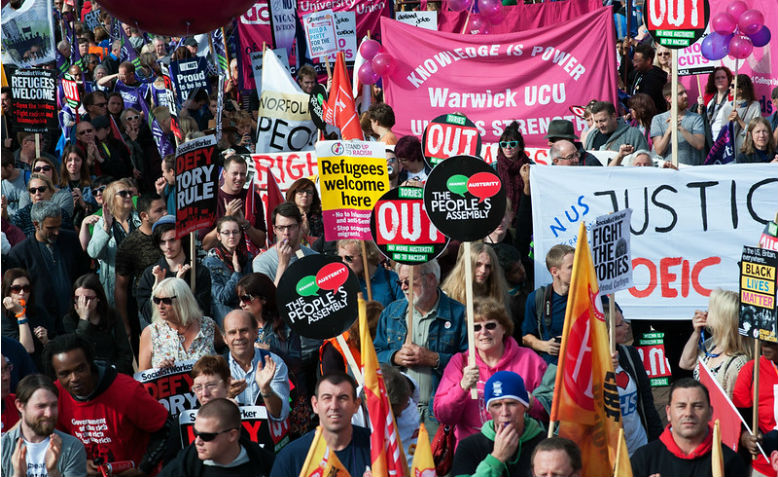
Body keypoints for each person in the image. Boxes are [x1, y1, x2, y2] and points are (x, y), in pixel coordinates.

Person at [47, 334, 171, 475]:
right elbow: (53, 442)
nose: (74, 378)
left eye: (80, 369)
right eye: (65, 374)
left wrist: (142, 469)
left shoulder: (127, 391)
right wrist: (77, 461)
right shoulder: (53, 396)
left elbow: (165, 429)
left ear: (91, 364)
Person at [435, 298, 547, 443]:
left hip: (520, 448)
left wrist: (529, 402)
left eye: (490, 325)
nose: (483, 332)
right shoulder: (460, 362)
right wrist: (462, 387)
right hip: (474, 451)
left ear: (504, 327)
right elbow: (443, 415)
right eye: (476, 327)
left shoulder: (529, 360)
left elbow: (552, 409)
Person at [374, 259, 467, 433]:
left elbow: (471, 362)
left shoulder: (458, 314)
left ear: (431, 279)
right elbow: (374, 355)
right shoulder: (391, 313)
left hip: (438, 413)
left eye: (409, 282)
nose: (403, 287)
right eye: (399, 282)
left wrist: (433, 359)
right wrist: (394, 357)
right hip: (400, 410)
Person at [630, 378, 747, 477]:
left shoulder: (729, 461)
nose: (688, 413)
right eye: (681, 406)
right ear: (669, 412)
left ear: (710, 412)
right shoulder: (644, 459)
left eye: (697, 406)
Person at [270, 373, 371, 477]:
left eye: (342, 398)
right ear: (315, 404)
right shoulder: (290, 457)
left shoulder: (377, 446)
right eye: (327, 398)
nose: (334, 406)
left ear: (356, 405)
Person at [450, 370, 546, 477]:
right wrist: (497, 458)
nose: (505, 413)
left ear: (525, 406)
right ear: (488, 410)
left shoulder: (545, 443)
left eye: (511, 403)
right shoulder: (469, 446)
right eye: (496, 405)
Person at [9, 201, 91, 324]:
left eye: (59, 226)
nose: (57, 232)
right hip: (43, 323)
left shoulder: (71, 240)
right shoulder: (20, 254)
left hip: (75, 317)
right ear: (36, 224)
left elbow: (84, 274)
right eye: (51, 228)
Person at [158, 398, 274, 476]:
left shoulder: (264, 464)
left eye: (206, 436)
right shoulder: (188, 460)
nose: (197, 441)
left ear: (232, 435)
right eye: (195, 433)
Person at [1, 374, 87, 477]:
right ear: (20, 406)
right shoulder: (3, 447)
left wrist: (53, 471)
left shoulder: (72, 447)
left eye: (54, 405)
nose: (49, 413)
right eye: (41, 406)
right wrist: (18, 474)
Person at [606, 301, 663, 454]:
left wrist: (657, 441)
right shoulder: (586, 363)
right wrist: (601, 371)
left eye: (625, 321)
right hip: (609, 455)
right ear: (605, 331)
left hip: (639, 447)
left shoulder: (629, 354)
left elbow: (647, 400)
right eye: (619, 324)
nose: (626, 326)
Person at [113, 193, 167, 351]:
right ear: (144, 215)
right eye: (159, 210)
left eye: (165, 209)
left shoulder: (173, 235)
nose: (165, 213)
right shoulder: (129, 244)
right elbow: (121, 286)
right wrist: (125, 324)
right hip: (148, 308)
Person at [135, 215, 211, 324]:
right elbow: (149, 316)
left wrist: (180, 287)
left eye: (172, 240)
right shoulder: (150, 274)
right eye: (162, 242)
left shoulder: (199, 272)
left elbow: (201, 313)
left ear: (182, 239)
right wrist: (157, 288)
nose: (168, 246)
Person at [678, 289, 750, 398]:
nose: (706, 313)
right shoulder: (713, 344)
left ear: (722, 319)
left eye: (710, 310)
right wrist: (696, 333)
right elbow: (686, 363)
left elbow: (731, 405)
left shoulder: (737, 363)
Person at [221, 310, 290, 421]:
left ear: (255, 333)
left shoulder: (273, 362)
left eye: (244, 331)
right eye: (232, 332)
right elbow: (209, 416)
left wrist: (266, 390)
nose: (238, 337)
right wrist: (226, 396)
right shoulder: (216, 368)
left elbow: (280, 414)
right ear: (225, 338)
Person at [138, 277, 219, 370]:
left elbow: (225, 354)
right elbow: (142, 378)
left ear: (183, 301)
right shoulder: (151, 333)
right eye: (156, 300)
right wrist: (158, 372)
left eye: (166, 301)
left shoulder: (207, 325)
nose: (160, 306)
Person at [61, 274, 132, 375]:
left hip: (115, 372)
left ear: (98, 298)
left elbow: (125, 353)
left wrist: (112, 370)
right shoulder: (69, 320)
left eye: (88, 298)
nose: (83, 303)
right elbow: (77, 350)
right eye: (78, 298)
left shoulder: (112, 316)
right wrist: (83, 320)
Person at [86, 180, 140, 306]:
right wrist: (106, 228)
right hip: (115, 288)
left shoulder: (141, 219)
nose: (128, 196)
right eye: (123, 193)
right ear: (111, 199)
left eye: (129, 193)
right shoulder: (102, 224)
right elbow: (93, 253)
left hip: (139, 286)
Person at [201, 155, 266, 253]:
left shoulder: (252, 197)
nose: (239, 178)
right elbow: (206, 245)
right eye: (235, 173)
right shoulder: (210, 200)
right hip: (219, 262)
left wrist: (245, 224)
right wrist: (227, 218)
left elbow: (261, 242)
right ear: (224, 174)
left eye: (243, 174)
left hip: (248, 260)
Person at [522, 244, 575, 364]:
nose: (578, 270)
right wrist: (544, 346)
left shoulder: (591, 296)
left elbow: (608, 328)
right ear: (555, 272)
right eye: (571, 267)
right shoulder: (537, 298)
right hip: (551, 372)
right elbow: (526, 337)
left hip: (583, 368)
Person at [733, 341, 778, 477]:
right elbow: (739, 420)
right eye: (762, 338)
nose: (764, 345)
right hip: (763, 467)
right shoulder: (751, 369)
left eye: (772, 340)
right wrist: (746, 438)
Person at [235, 273, 301, 366]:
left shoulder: (284, 323)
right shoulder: (243, 329)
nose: (241, 304)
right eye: (239, 299)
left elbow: (297, 364)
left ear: (263, 299)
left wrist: (270, 351)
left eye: (246, 298)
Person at [203, 216, 254, 326]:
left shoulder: (248, 258)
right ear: (218, 236)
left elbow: (251, 293)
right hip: (226, 322)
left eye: (235, 232)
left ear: (240, 234)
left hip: (248, 320)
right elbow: (223, 297)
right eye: (226, 233)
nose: (231, 236)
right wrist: (237, 272)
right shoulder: (210, 262)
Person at [252, 202, 317, 285]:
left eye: (291, 227)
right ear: (274, 229)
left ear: (300, 226)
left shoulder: (313, 257)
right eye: (281, 228)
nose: (286, 232)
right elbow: (269, 297)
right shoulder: (262, 262)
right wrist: (283, 264)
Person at [2, 268, 55, 362]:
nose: (22, 293)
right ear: (8, 291)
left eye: (26, 288)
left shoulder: (39, 312)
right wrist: (20, 314)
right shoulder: (3, 318)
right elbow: (26, 349)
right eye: (16, 289)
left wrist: (46, 341)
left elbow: (55, 347)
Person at [442, 242, 510, 312]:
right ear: (467, 265)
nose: (483, 270)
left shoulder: (498, 294)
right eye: (478, 264)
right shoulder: (448, 295)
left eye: (488, 266)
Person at [651, 82, 706, 165]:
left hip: (689, 172)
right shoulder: (658, 119)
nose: (685, 96)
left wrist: (680, 128)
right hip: (667, 172)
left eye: (685, 92)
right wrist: (669, 130)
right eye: (680, 93)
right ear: (669, 99)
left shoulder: (696, 118)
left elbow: (699, 144)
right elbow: (659, 150)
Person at [337, 239, 401, 308]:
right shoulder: (342, 285)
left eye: (348, 258)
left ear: (366, 255)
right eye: (340, 258)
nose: (343, 263)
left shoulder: (393, 280)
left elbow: (403, 311)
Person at [716, 74, 762, 154]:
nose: (730, 88)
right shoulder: (727, 106)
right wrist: (729, 122)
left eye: (733, 86)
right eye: (730, 85)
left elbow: (757, 130)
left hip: (747, 151)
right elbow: (722, 133)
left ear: (741, 89)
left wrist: (739, 120)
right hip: (731, 151)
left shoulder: (754, 106)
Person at [493, 122, 531, 214]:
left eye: (513, 144)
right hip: (501, 219)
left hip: (525, 217)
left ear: (520, 147)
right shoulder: (493, 168)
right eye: (504, 144)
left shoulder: (530, 167)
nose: (508, 147)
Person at [584, 101, 649, 152]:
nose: (599, 125)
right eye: (596, 122)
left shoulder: (633, 135)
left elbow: (644, 161)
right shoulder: (592, 136)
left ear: (613, 116)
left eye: (602, 120)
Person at [627, 43, 668, 114]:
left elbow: (645, 104)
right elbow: (626, 76)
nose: (634, 64)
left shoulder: (653, 78)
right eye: (634, 61)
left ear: (648, 60)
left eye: (637, 61)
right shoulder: (639, 72)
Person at [285, 177, 323, 243]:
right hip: (297, 252)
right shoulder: (286, 217)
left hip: (317, 252)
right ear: (294, 194)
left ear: (313, 197)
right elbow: (285, 243)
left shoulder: (321, 218)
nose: (305, 195)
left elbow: (325, 244)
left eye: (309, 192)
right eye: (301, 191)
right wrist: (302, 235)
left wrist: (308, 234)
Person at [699, 66, 733, 141]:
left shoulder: (733, 97)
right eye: (717, 78)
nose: (720, 80)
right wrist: (700, 108)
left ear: (728, 79)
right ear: (713, 81)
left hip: (725, 141)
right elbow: (701, 118)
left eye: (723, 77)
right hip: (709, 139)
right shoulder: (708, 98)